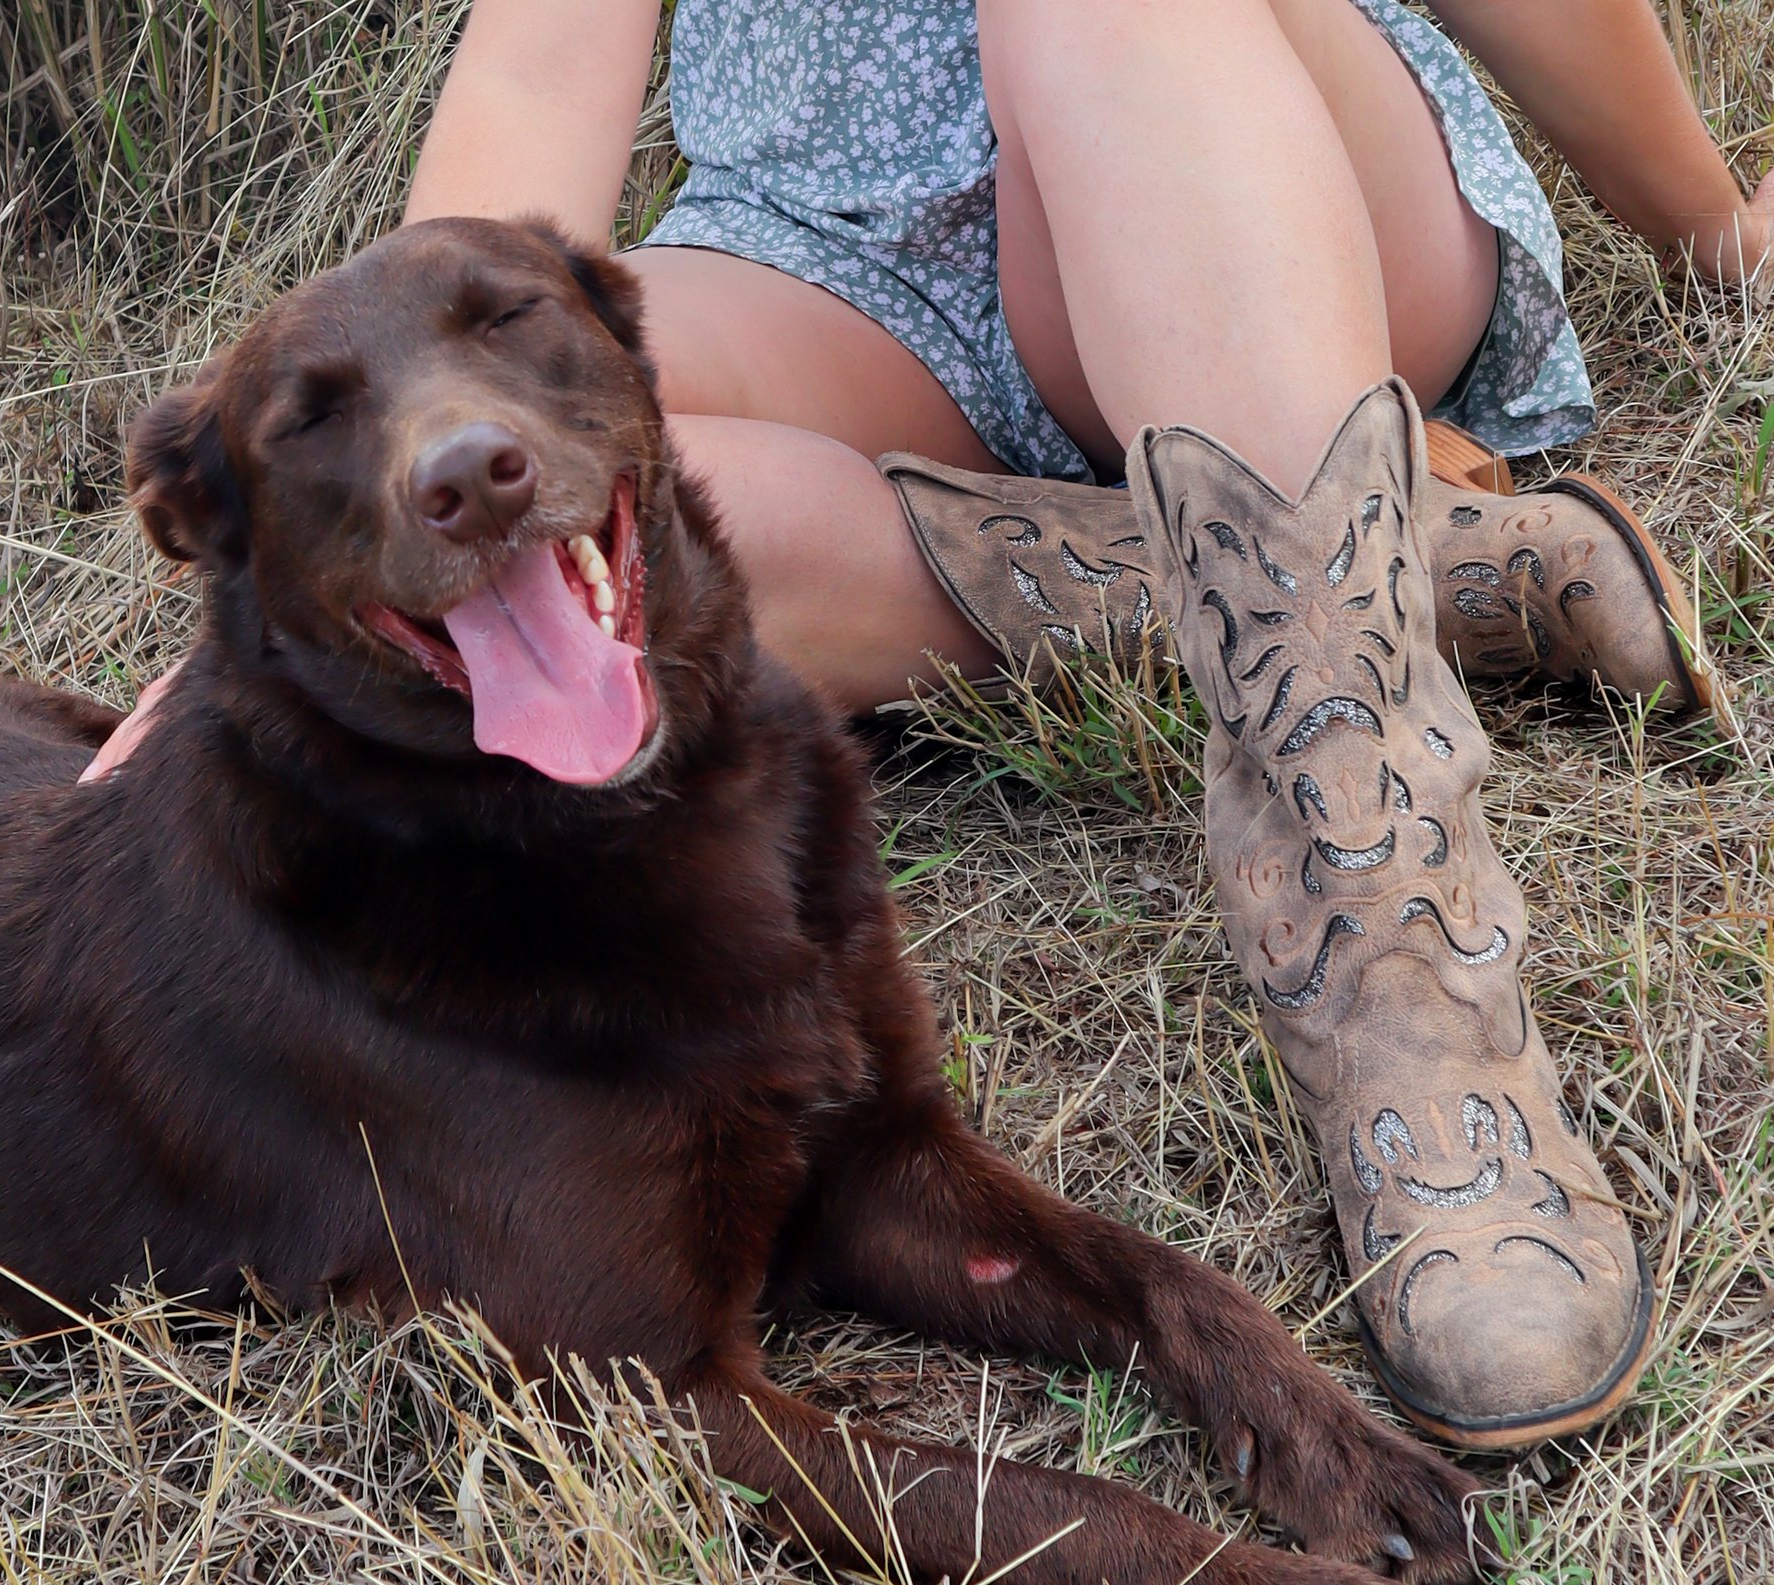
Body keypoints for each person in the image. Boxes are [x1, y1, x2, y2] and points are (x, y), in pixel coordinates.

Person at [400, 0, 1769, 1450]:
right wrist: (407, 447)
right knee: (589, 494)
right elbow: (541, 59)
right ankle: (1415, 573)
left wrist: (1711, 223)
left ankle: (1398, 965)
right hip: (831, 256)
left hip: (1232, 153)